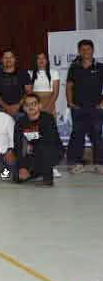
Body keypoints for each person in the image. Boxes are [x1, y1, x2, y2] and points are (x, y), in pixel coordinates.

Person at [66, 39, 103, 173]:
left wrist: (102, 104)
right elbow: (69, 87)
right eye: (83, 49)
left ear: (93, 51)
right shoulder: (74, 67)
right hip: (78, 108)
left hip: (96, 109)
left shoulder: (100, 67)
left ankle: (99, 164)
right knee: (78, 136)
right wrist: (70, 103)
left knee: (96, 136)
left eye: (88, 49)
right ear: (79, 52)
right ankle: (77, 163)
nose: (85, 51)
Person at [13, 94, 62, 186]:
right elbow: (18, 144)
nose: (30, 107)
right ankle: (34, 172)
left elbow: (49, 140)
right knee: (17, 178)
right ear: (24, 108)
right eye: (27, 105)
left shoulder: (48, 118)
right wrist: (22, 167)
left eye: (33, 104)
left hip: (50, 152)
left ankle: (48, 177)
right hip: (30, 153)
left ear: (40, 105)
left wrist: (31, 145)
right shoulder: (20, 122)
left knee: (43, 148)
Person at [0, 50, 26, 118]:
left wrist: (18, 106)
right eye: (5, 57)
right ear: (1, 60)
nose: (8, 60)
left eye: (10, 57)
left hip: (20, 111)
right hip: (2, 111)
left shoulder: (23, 73)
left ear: (14, 59)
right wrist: (6, 107)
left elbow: (28, 91)